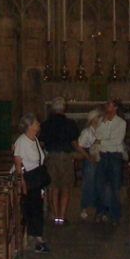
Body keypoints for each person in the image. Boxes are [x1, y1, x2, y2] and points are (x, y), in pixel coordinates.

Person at [38, 95, 81, 225]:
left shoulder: (46, 124)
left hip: (51, 157)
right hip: (64, 157)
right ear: (64, 108)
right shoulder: (69, 123)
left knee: (53, 187)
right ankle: (62, 217)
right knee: (65, 187)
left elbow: (42, 143)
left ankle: (55, 217)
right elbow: (74, 142)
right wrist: (85, 154)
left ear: (52, 108)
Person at [13, 113, 49, 253]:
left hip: (36, 177)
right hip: (28, 178)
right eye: (36, 122)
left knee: (37, 208)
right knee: (31, 209)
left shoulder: (34, 139)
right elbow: (18, 162)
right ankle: (35, 239)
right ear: (29, 126)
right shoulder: (22, 141)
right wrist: (22, 182)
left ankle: (37, 238)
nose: (39, 124)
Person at [94, 99, 127, 226]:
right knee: (100, 185)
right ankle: (100, 211)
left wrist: (102, 142)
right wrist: (103, 124)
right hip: (102, 155)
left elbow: (117, 141)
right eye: (106, 104)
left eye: (109, 104)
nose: (106, 106)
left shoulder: (121, 123)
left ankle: (114, 215)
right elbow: (97, 136)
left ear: (115, 108)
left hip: (114, 155)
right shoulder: (102, 120)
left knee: (114, 186)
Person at [78, 107, 102, 219]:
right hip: (90, 156)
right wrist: (88, 156)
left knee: (100, 183)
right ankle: (84, 207)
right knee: (88, 183)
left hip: (100, 155)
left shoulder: (101, 130)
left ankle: (99, 208)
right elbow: (80, 146)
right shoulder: (87, 132)